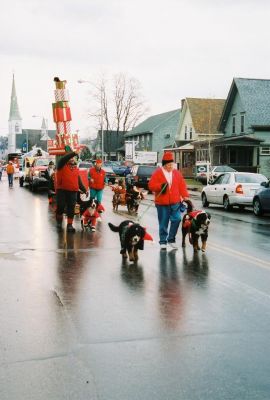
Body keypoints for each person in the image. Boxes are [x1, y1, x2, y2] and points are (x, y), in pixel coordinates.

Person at [148, 151, 189, 250]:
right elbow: (151, 186)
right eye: (169, 165)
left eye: (172, 164)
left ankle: (171, 239)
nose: (171, 166)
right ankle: (163, 241)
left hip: (175, 202)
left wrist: (185, 196)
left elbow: (182, 185)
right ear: (165, 165)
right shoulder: (158, 173)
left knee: (177, 219)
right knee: (163, 222)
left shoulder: (176, 173)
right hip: (162, 203)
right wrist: (160, 186)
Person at [55, 150, 87, 233]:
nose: (72, 159)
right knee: (60, 207)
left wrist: (84, 190)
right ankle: (59, 221)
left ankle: (69, 224)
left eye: (73, 158)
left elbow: (79, 181)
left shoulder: (76, 169)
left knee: (71, 208)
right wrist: (73, 153)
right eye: (71, 158)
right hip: (62, 190)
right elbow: (63, 159)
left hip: (73, 191)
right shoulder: (61, 165)